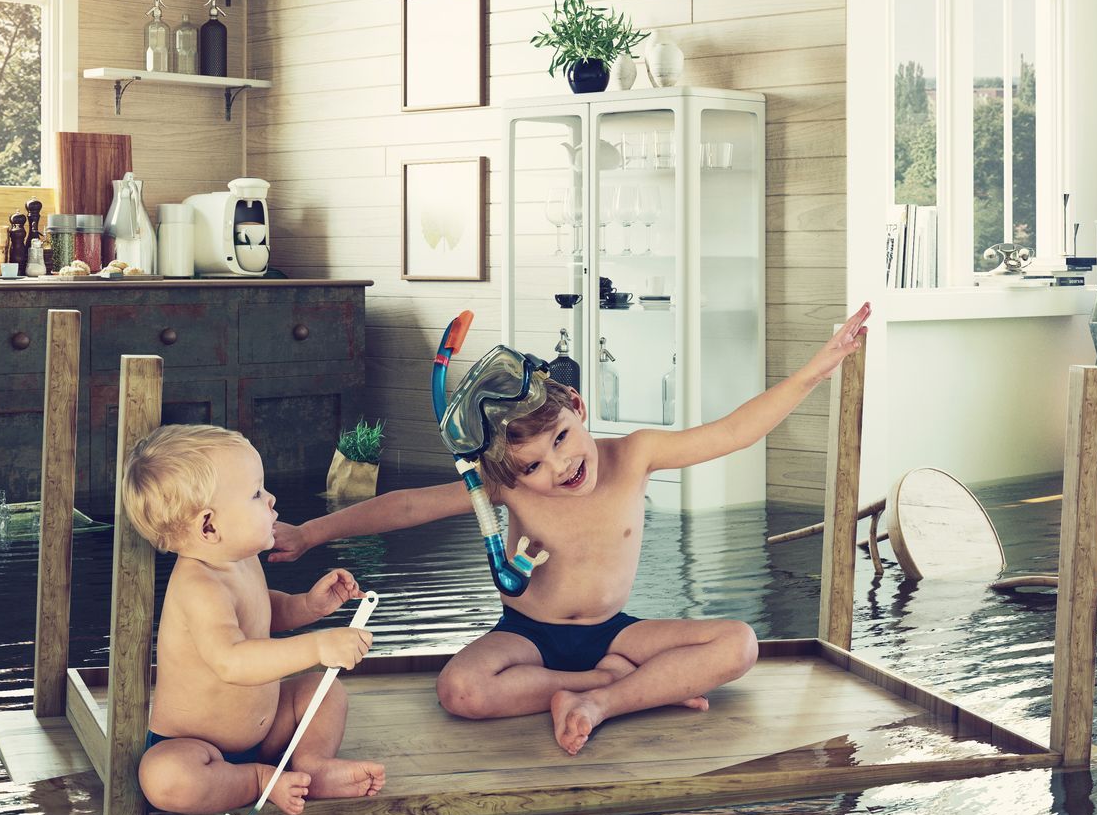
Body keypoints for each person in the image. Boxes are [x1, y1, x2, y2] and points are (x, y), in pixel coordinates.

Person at [269, 303, 871, 756]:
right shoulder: (499, 489)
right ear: (508, 472)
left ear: (577, 408)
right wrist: (311, 533)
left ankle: (602, 699)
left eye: (560, 439)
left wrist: (816, 371)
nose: (559, 466)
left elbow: (733, 431)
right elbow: (404, 508)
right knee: (460, 691)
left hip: (616, 634)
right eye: (532, 466)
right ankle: (613, 686)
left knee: (737, 644)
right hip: (528, 636)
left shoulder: (635, 455)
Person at [120, 424, 387, 815]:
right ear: (209, 526)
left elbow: (262, 613)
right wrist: (316, 646)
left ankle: (312, 765)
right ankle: (260, 779)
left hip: (264, 730)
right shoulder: (198, 585)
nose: (271, 498)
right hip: (198, 747)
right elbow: (233, 659)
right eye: (256, 493)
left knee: (323, 690)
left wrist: (308, 606)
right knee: (166, 778)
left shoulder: (239, 560)